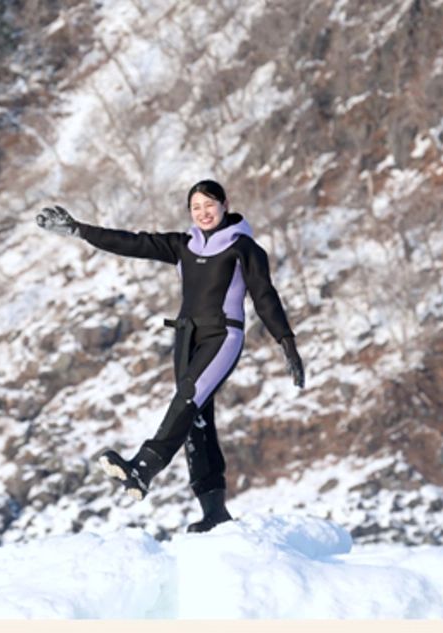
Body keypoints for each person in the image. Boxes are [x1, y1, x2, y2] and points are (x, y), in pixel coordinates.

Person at [36, 180, 305, 533]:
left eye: (209, 204)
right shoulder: (182, 244)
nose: (203, 212)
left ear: (225, 204)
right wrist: (78, 230)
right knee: (196, 422)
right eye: (196, 207)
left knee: (187, 399)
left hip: (222, 335)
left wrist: (286, 342)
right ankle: (214, 511)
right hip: (185, 338)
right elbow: (131, 242)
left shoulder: (244, 248)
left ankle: (143, 468)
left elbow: (265, 296)